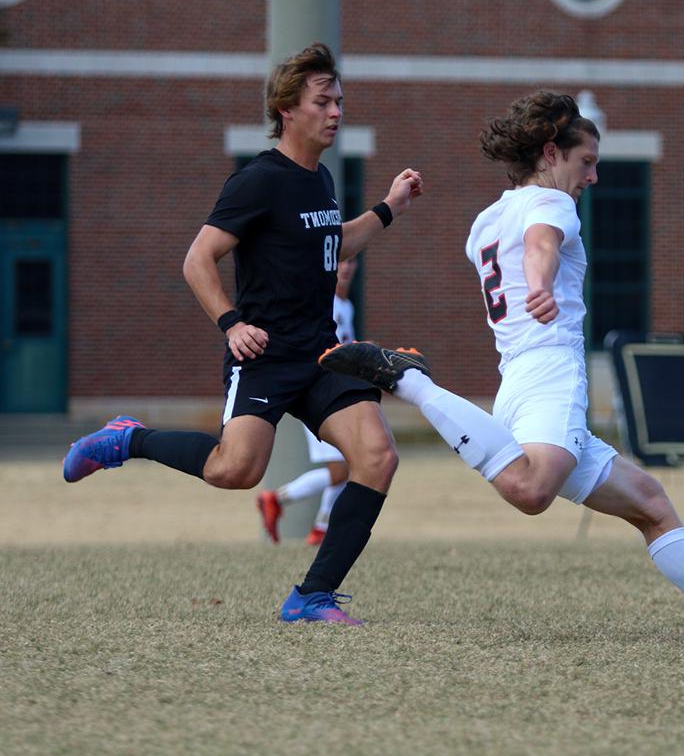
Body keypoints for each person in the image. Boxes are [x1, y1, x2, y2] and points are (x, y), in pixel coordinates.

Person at [320, 91, 684, 644]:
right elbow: (540, 245)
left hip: (520, 381)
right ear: (551, 154)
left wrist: (539, 276)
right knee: (530, 492)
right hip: (552, 375)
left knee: (649, 502)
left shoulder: (485, 220)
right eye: (587, 162)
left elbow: (528, 245)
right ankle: (410, 380)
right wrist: (544, 283)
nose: (593, 177)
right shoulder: (551, 204)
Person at [62, 43, 424, 624]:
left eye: (339, 101)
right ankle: (127, 438)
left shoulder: (322, 178)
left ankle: (311, 596)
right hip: (266, 356)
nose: (335, 111)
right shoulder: (256, 180)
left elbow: (333, 245)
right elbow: (197, 260)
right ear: (288, 110)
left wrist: (388, 207)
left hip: (324, 355)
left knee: (377, 457)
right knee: (235, 470)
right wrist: (231, 324)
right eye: (323, 101)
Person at [256, 255, 360, 546]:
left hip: (335, 393)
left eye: (351, 262)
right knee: (341, 470)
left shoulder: (346, 305)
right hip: (319, 394)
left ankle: (320, 528)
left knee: (347, 467)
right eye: (341, 262)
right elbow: (328, 350)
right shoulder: (324, 303)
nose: (347, 268)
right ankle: (277, 500)